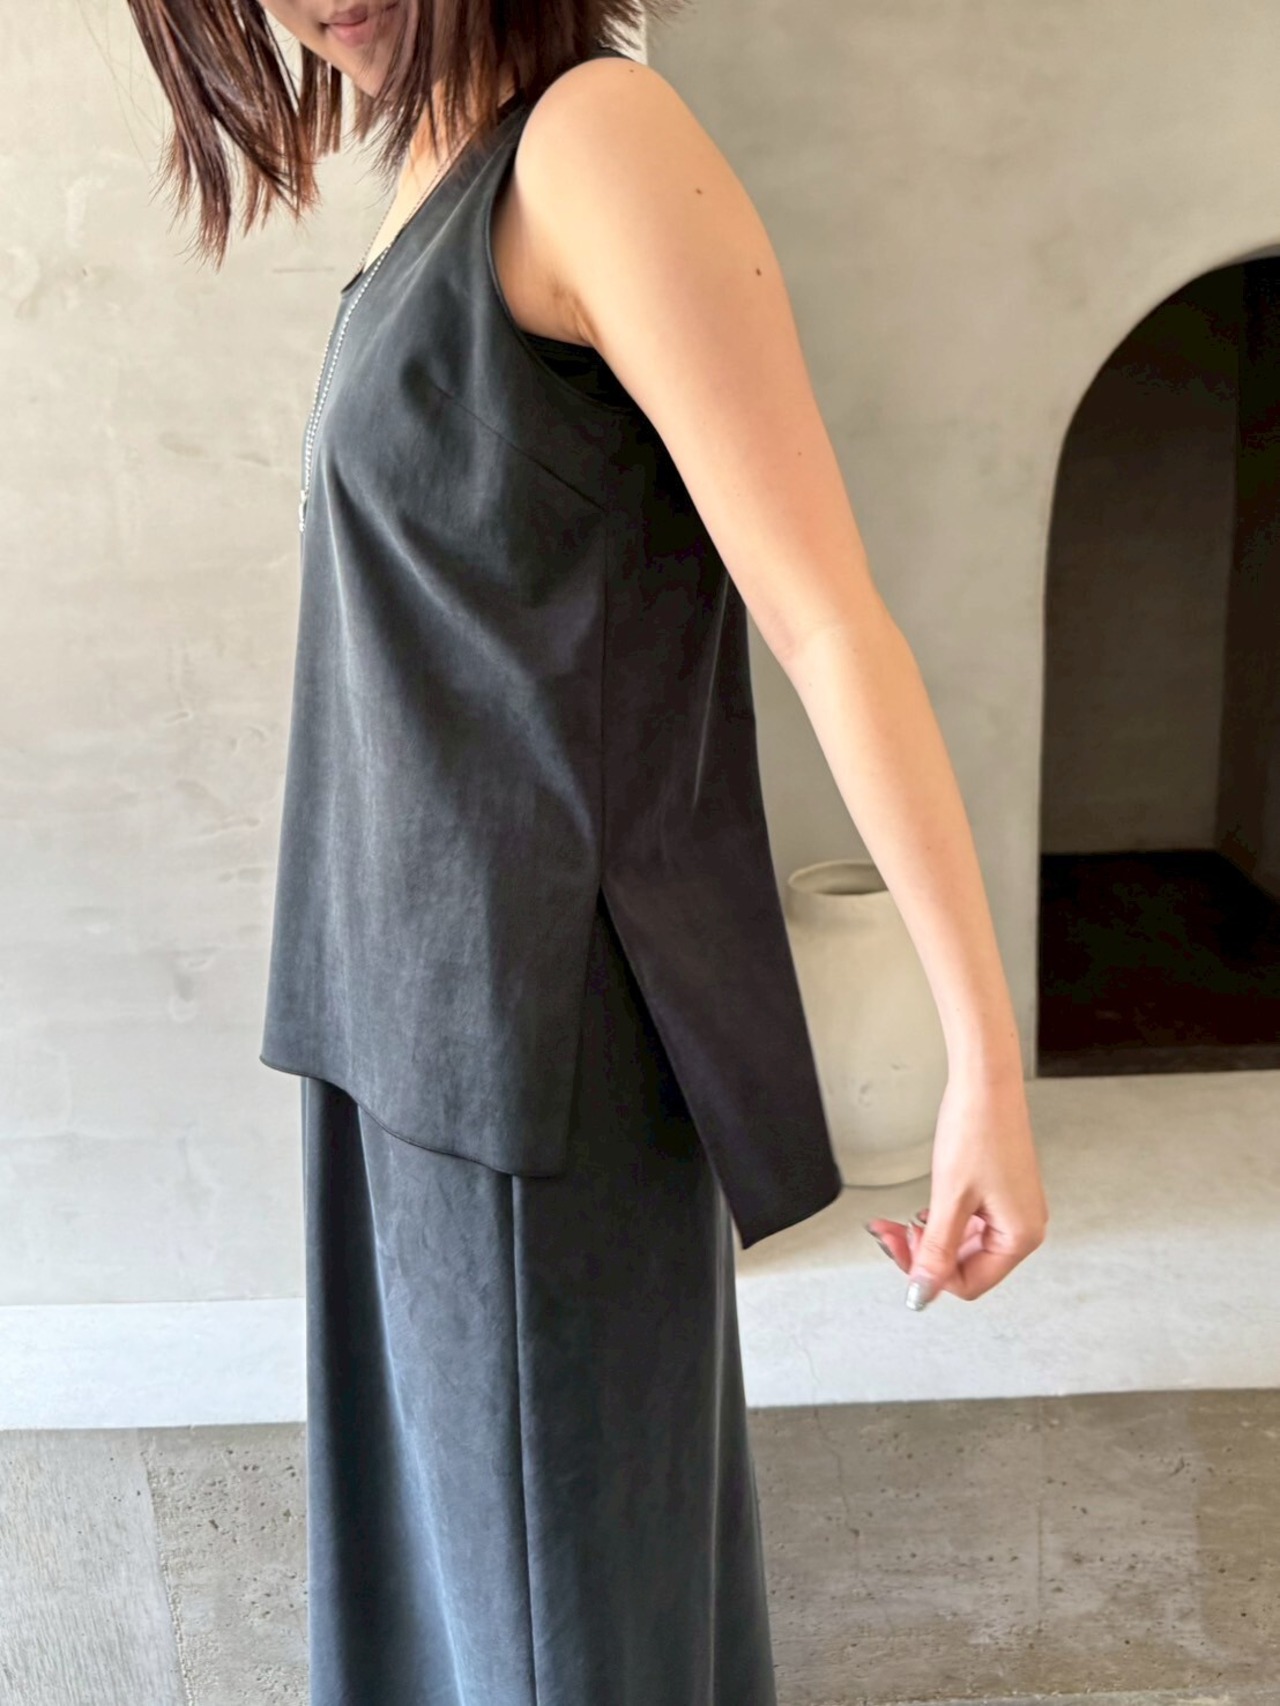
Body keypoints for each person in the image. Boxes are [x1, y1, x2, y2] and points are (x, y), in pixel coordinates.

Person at [125, 2, 1050, 1701]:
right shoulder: (435, 169)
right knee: (467, 1630)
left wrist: (984, 1061)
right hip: (397, 1045)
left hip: (527, 1071)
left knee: (562, 1640)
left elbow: (825, 618)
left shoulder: (594, 146)